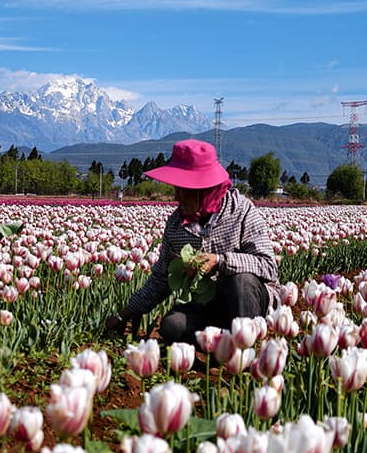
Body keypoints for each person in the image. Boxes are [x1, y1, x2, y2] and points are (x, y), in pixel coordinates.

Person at [105, 139, 279, 349]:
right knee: (172, 325)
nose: (177, 196)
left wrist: (220, 261)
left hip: (248, 302)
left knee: (240, 282)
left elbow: (268, 266)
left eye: (183, 188)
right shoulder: (177, 225)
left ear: (205, 188)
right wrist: (126, 313)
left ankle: (243, 350)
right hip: (209, 305)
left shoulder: (241, 212)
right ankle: (221, 341)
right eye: (176, 187)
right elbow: (161, 278)